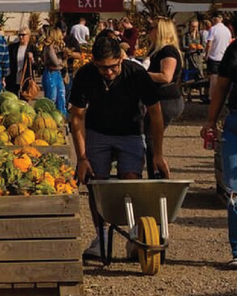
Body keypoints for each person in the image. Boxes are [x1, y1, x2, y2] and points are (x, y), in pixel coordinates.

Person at [69, 34, 168, 259]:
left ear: (121, 59)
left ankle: (133, 233)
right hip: (97, 131)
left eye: (113, 67)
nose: (109, 72)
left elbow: (156, 112)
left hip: (130, 131)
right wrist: (82, 157)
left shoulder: (137, 74)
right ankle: (100, 235)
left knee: (131, 180)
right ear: (94, 62)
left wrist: (158, 154)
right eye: (103, 68)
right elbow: (77, 117)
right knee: (96, 183)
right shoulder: (85, 75)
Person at [201, 16, 237, 267]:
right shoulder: (235, 49)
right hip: (236, 122)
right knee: (236, 191)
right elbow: (222, 87)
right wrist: (211, 121)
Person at [143, 17, 184, 176]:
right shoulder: (157, 51)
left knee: (151, 137)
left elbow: (166, 76)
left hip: (167, 100)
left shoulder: (168, 51)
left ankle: (158, 173)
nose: (149, 32)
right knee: (149, 136)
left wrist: (143, 74)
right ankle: (155, 173)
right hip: (159, 99)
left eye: (152, 28)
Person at [40, 26, 68, 115]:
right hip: (50, 74)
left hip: (57, 74)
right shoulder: (49, 47)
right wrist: (63, 61)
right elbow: (55, 62)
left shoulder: (57, 47)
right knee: (51, 99)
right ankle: (50, 118)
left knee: (61, 97)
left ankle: (62, 117)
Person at [6, 28, 36, 97]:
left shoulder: (32, 48)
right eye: (19, 35)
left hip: (25, 79)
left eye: (23, 35)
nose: (20, 37)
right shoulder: (12, 47)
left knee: (24, 102)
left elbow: (36, 66)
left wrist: (32, 60)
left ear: (28, 35)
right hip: (13, 78)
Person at [206, 12, 233, 77]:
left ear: (214, 19)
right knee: (223, 78)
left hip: (214, 58)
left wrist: (206, 55)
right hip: (224, 58)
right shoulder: (227, 30)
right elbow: (229, 43)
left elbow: (209, 44)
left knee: (213, 78)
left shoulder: (213, 29)